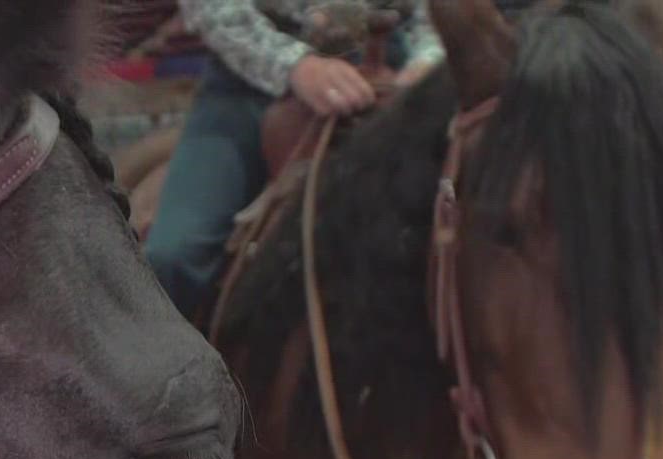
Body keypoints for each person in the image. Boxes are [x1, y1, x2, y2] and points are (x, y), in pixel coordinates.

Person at [146, 0, 444, 321]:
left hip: (393, 75)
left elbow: (441, 13)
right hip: (249, 83)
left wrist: (427, 63)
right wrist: (294, 65)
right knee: (175, 255)